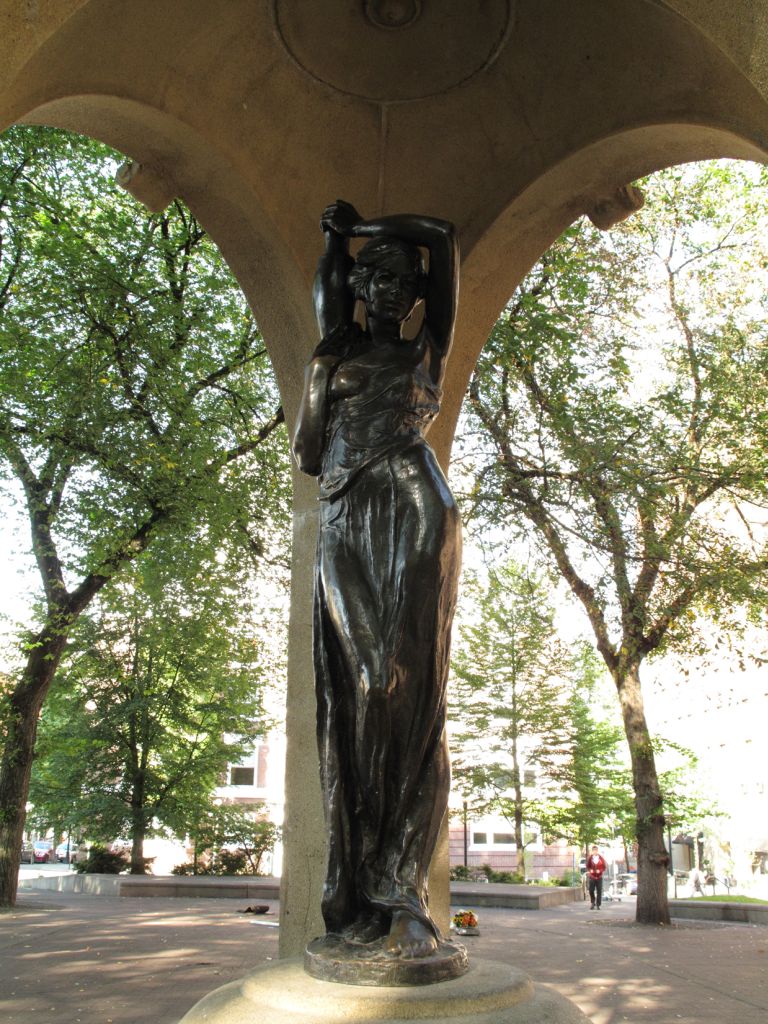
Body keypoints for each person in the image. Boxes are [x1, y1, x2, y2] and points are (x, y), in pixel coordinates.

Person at [293, 200, 461, 961]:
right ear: (359, 288)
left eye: (404, 281)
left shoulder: (428, 346)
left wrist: (368, 227)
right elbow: (308, 452)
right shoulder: (334, 346)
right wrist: (340, 237)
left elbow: (444, 240)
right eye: (377, 280)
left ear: (416, 294)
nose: (390, 292)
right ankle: (361, 889)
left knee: (407, 688)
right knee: (364, 680)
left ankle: (400, 892)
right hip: (343, 509)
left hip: (414, 501)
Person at [586, 844, 607, 909]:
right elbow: (588, 866)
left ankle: (598, 905)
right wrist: (590, 870)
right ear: (592, 851)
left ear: (597, 851)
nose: (595, 851)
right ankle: (593, 902)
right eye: (594, 850)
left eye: (596, 850)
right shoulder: (590, 858)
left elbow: (604, 867)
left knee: (599, 891)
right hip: (592, 876)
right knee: (591, 890)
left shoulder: (601, 858)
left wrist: (600, 871)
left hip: (599, 877)